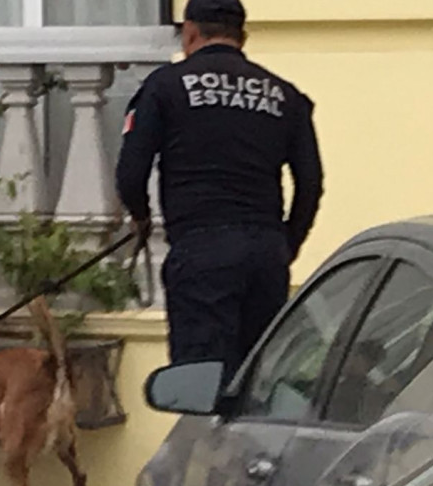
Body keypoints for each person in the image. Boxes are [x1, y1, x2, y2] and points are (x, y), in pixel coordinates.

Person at [116, 0, 323, 381]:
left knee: (202, 385)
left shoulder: (164, 87)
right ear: (242, 37)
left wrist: (141, 217)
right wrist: (284, 244)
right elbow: (310, 184)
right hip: (265, 253)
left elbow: (130, 174)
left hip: (202, 252)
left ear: (190, 32)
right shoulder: (286, 96)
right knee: (259, 382)